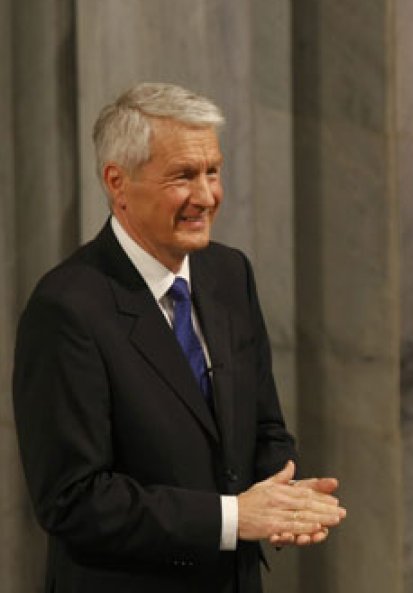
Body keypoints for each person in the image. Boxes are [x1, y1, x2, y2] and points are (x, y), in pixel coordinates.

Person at [13, 82, 345, 593]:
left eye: (213, 171)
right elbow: (73, 499)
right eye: (183, 176)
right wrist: (235, 518)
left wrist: (284, 497)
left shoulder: (229, 273)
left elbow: (264, 426)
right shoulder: (67, 308)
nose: (206, 196)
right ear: (117, 182)